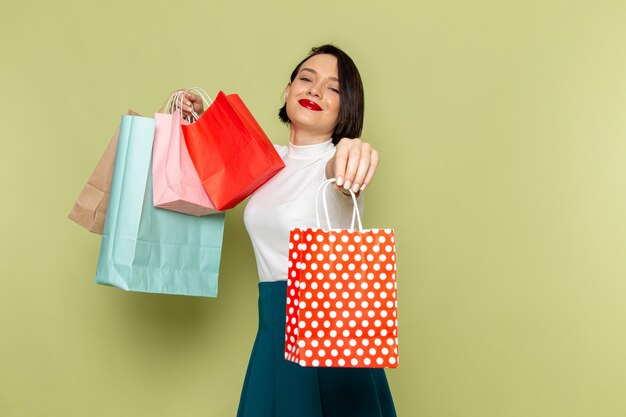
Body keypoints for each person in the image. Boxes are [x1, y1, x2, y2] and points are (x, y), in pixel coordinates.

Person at [178, 44, 397, 417]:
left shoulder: (334, 163)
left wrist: (356, 154)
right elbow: (206, 168)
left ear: (347, 108)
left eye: (333, 88)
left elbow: (344, 172)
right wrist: (196, 117)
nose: (314, 90)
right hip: (273, 334)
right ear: (288, 90)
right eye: (306, 79)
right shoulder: (266, 160)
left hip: (330, 336)